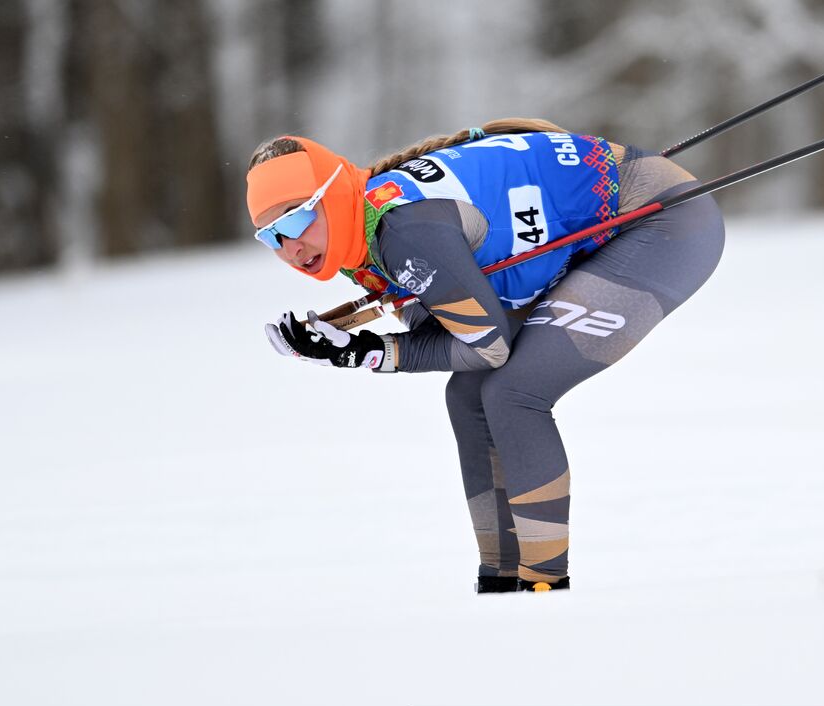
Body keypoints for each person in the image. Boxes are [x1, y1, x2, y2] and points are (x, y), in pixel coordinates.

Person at [248, 118, 725, 593]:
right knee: (469, 394)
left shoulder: (403, 232)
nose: (289, 247)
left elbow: (486, 347)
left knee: (512, 393)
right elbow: (444, 328)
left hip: (666, 225)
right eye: (270, 236)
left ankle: (544, 589)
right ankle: (500, 584)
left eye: (296, 219)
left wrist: (369, 351)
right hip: (612, 219)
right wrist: (359, 349)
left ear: (330, 197)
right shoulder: (359, 230)